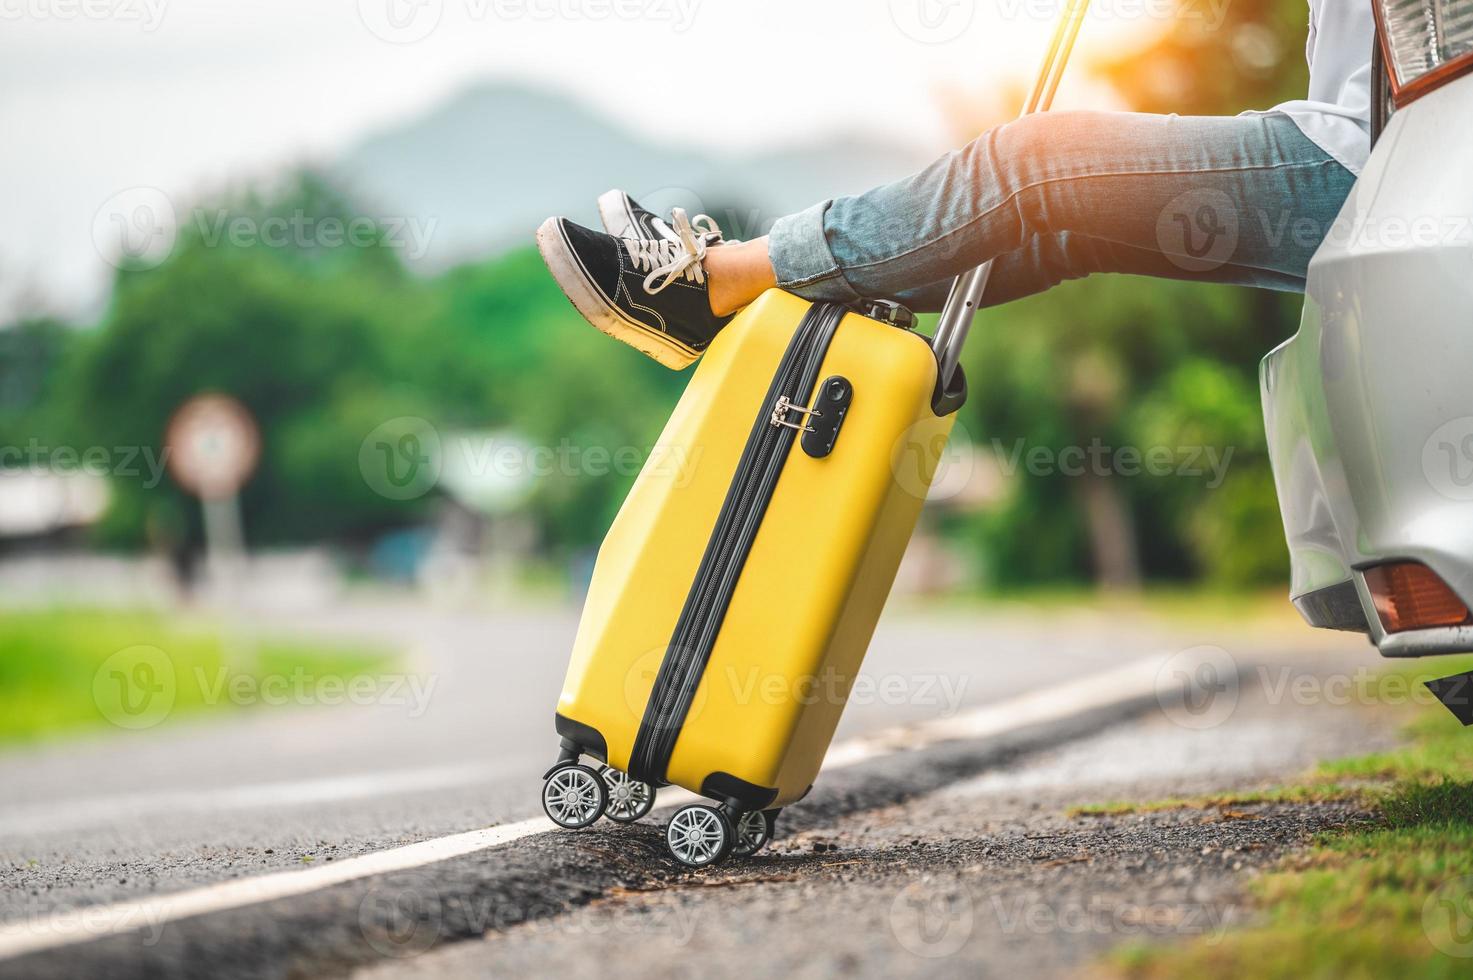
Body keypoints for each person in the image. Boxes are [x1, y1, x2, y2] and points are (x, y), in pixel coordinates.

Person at [537, 0, 1374, 371]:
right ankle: (767, 301)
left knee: (1035, 161)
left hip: (1371, 167)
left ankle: (719, 284)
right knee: (1049, 232)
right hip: (1377, 165)